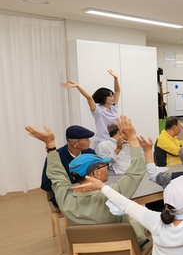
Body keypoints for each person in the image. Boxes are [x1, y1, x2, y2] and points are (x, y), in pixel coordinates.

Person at [27, 116, 149, 245]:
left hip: (90, 253)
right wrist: (132, 138)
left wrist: (50, 146)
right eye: (104, 166)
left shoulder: (65, 198)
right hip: (125, 251)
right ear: (96, 173)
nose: (107, 168)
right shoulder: (112, 196)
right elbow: (135, 172)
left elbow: (57, 176)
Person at [61, 69, 120, 145]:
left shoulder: (113, 107)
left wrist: (116, 78)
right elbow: (89, 98)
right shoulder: (98, 110)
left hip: (116, 140)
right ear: (103, 97)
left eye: (113, 96)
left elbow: (117, 91)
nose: (113, 98)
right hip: (103, 141)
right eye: (110, 96)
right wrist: (77, 86)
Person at [40, 125, 96, 196]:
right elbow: (46, 184)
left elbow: (97, 174)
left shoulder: (90, 153)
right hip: (67, 195)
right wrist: (77, 180)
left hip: (91, 192)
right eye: (86, 139)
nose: (89, 141)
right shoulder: (55, 157)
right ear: (75, 144)